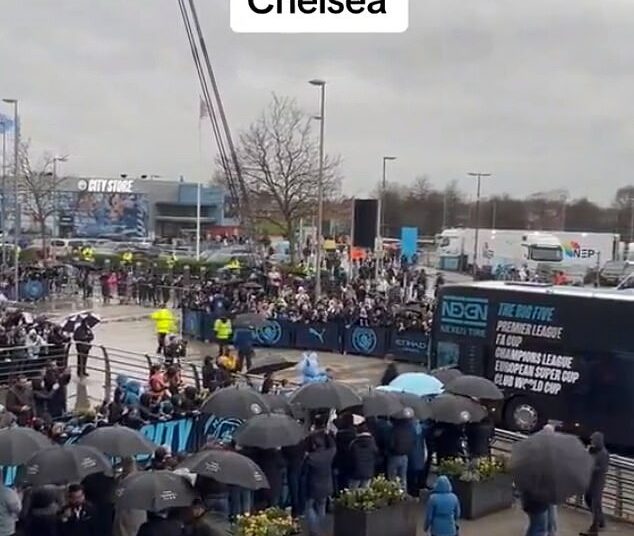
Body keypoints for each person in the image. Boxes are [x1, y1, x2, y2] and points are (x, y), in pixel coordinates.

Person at [305, 433, 336, 536]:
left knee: (308, 508)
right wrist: (327, 434)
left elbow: (304, 473)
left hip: (313, 486)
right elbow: (333, 446)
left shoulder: (310, 458)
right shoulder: (329, 454)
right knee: (321, 507)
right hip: (326, 485)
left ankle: (315, 531)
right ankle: (319, 528)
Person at [580, 431, 609, 536]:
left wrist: (591, 466)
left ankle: (594, 528)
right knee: (588, 499)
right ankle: (600, 521)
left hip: (598, 482)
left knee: (595, 504)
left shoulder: (603, 454)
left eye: (593, 440)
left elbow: (603, 468)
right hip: (590, 481)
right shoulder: (593, 451)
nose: (591, 442)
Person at [348, 422, 378, 489]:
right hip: (368, 471)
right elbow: (376, 454)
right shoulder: (372, 442)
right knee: (365, 491)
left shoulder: (353, 443)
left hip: (355, 472)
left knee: (353, 492)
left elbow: (349, 457)